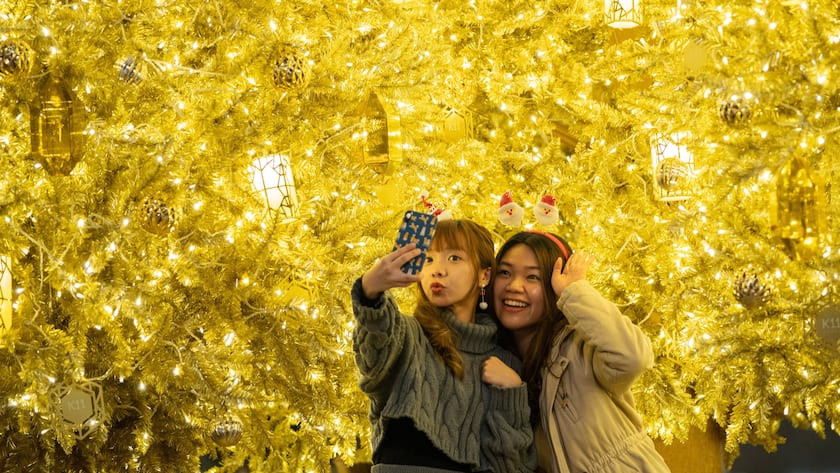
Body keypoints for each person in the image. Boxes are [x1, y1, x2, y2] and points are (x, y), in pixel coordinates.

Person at [351, 218, 536, 472]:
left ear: (484, 275)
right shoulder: (408, 335)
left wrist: (512, 393)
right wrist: (370, 290)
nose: (437, 270)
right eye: (428, 259)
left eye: (454, 258)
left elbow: (510, 467)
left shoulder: (505, 363)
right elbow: (374, 350)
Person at [491, 230, 671, 473]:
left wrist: (574, 291)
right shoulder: (500, 363)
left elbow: (633, 357)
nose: (514, 286)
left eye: (532, 277)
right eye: (504, 272)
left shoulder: (579, 348)